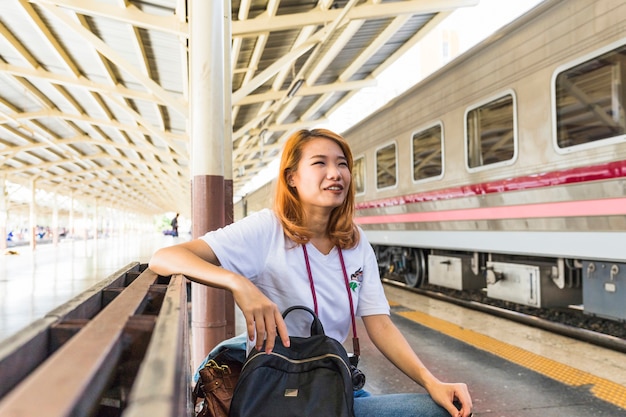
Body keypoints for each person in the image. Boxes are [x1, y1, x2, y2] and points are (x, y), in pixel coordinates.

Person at [149, 129, 473, 417]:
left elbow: (380, 323)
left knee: (447, 407)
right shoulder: (268, 229)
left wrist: (432, 381)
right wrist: (238, 284)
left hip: (336, 380)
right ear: (292, 177)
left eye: (342, 163)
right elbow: (165, 257)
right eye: (320, 163)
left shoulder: (356, 243)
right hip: (280, 391)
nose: (335, 173)